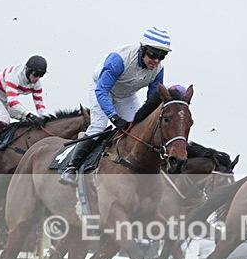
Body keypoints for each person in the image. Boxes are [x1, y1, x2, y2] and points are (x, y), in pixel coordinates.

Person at [60, 27, 171, 185]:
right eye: (153, 54)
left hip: (126, 95)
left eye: (162, 56)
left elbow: (152, 100)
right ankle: (71, 167)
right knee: (99, 126)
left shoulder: (158, 69)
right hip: (102, 89)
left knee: (136, 129)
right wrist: (114, 117)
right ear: (143, 49)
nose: (156, 60)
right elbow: (102, 90)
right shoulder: (119, 59)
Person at [0, 55, 48, 160]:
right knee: (4, 119)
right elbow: (13, 103)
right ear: (28, 70)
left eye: (41, 75)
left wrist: (45, 118)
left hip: (6, 100)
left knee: (28, 120)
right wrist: (30, 114)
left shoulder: (37, 84)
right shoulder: (14, 76)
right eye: (36, 75)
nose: (37, 79)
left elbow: (39, 103)